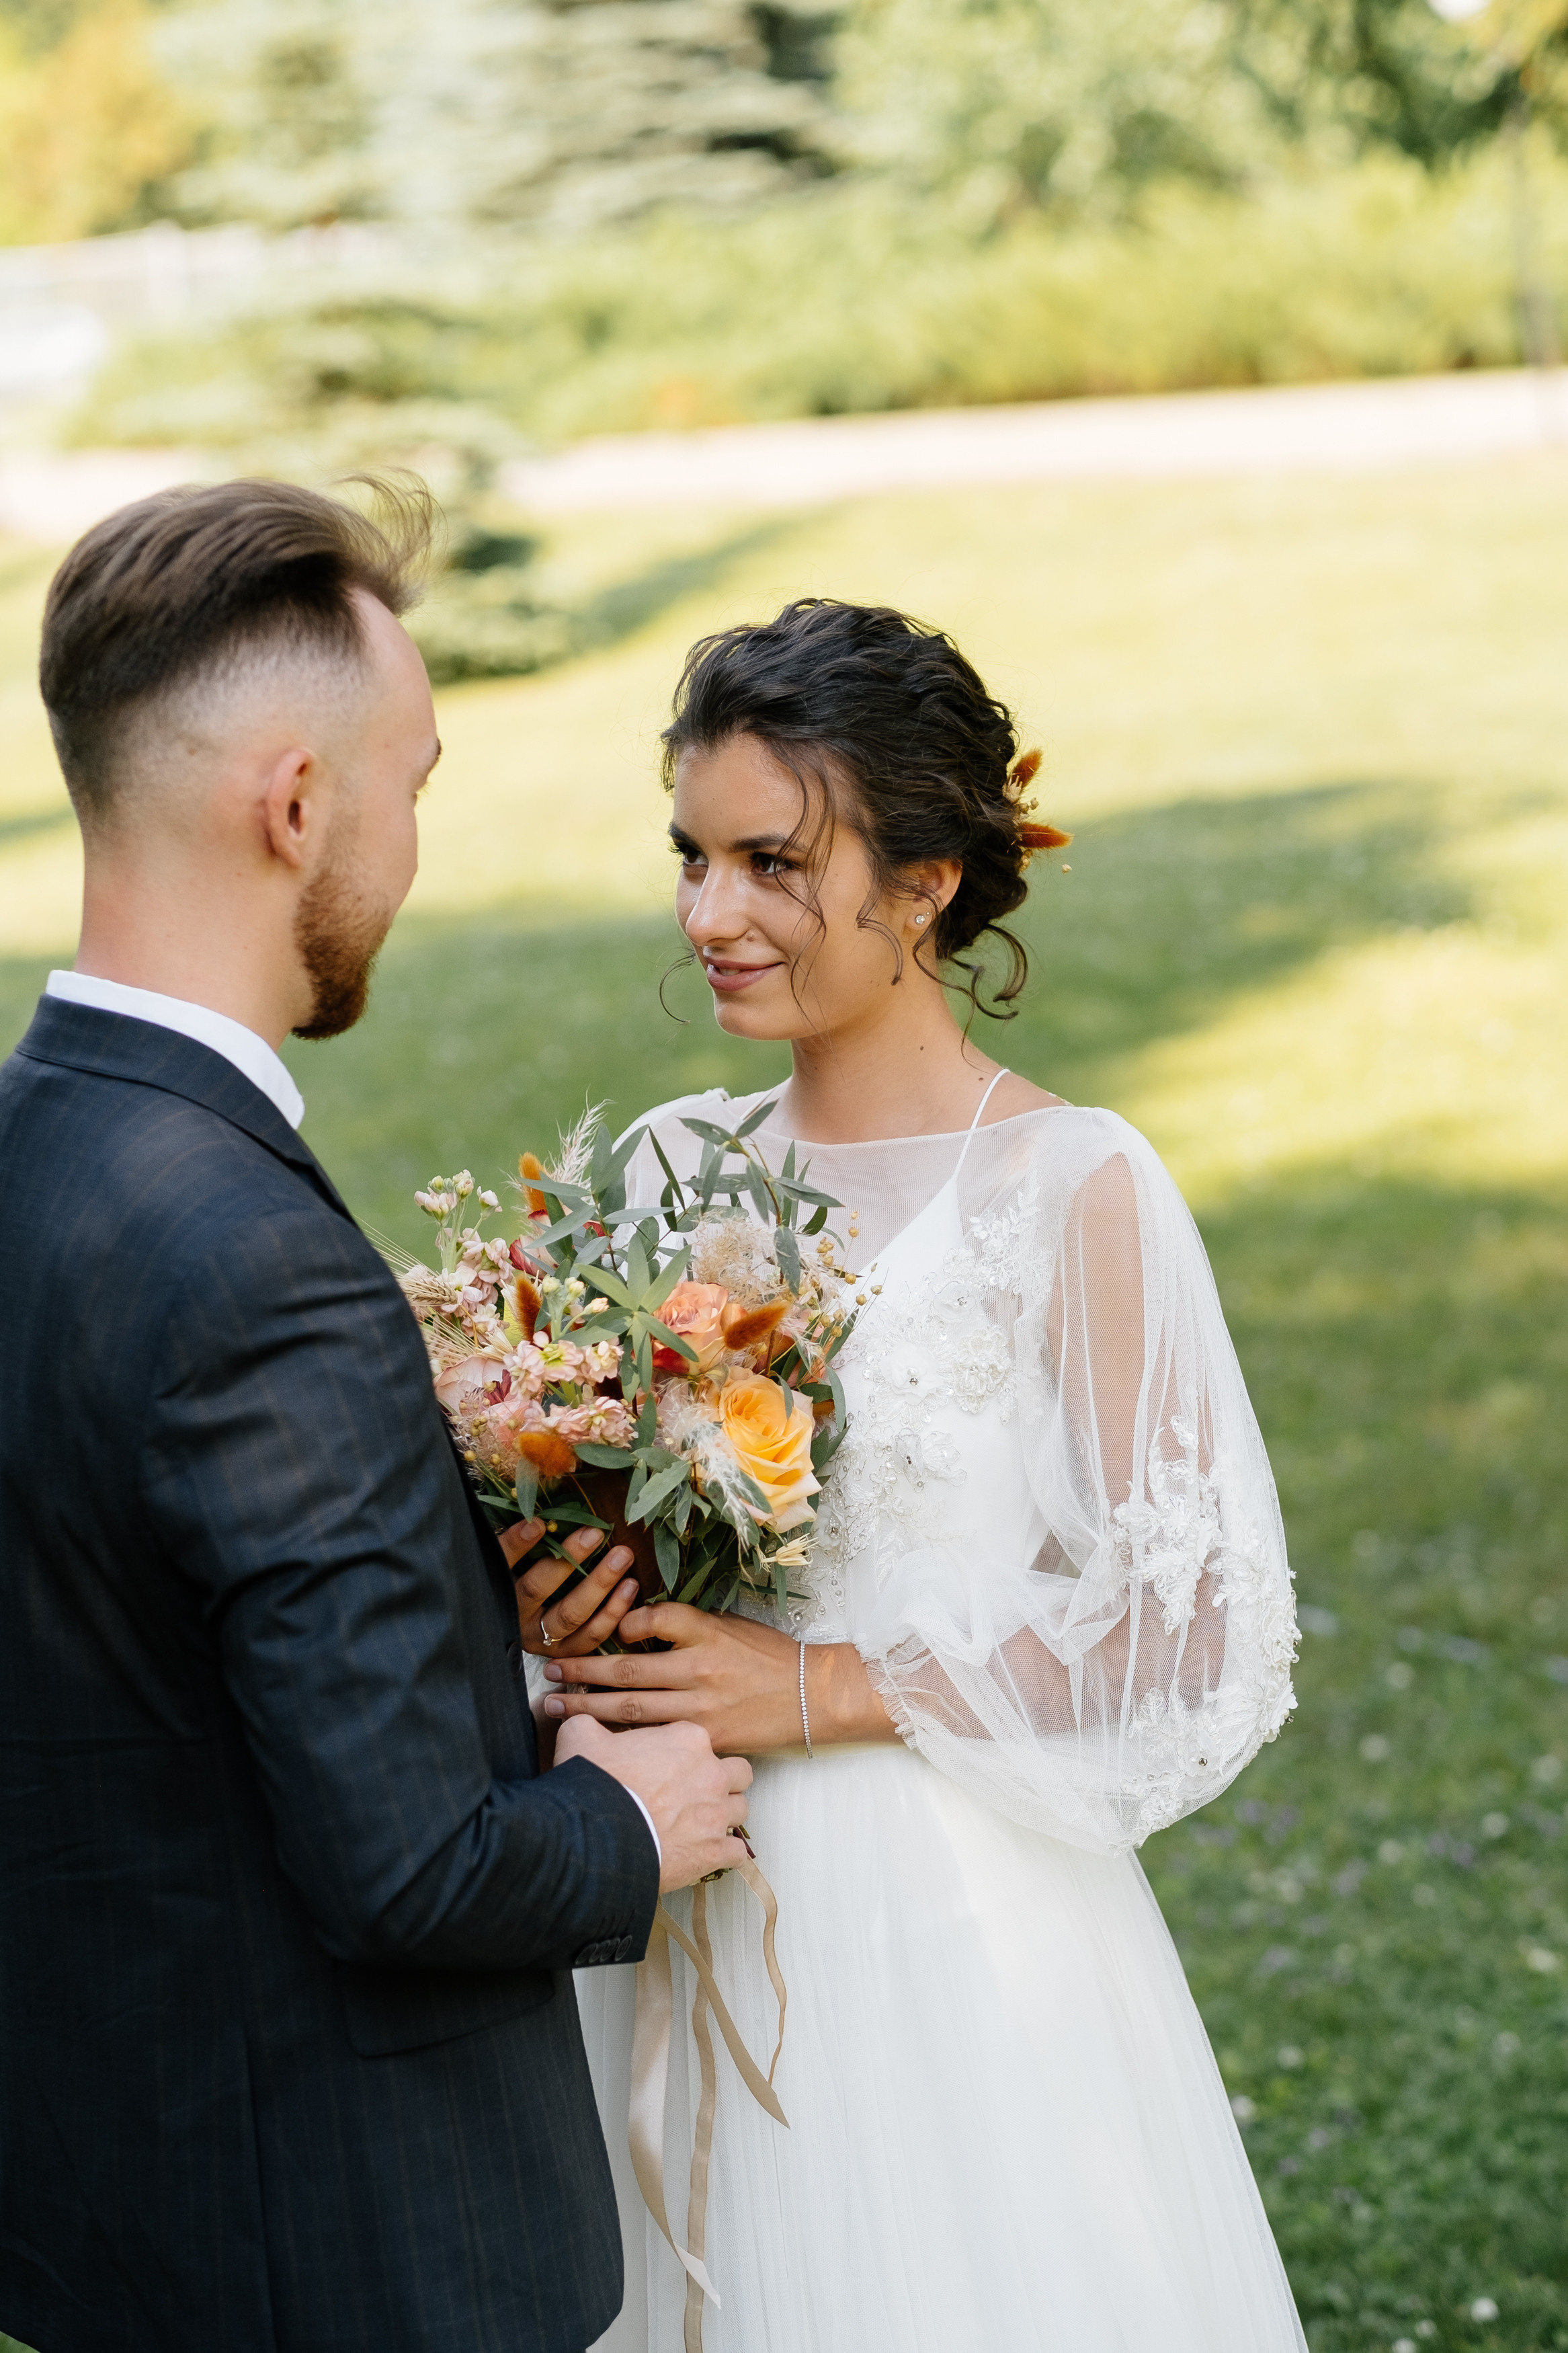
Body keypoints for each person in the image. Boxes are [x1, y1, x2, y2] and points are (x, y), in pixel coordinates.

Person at [0, 479, 752, 2353]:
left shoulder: (36, 1151)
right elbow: (410, 1863)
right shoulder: (256, 1261)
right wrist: (623, 1809)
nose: (411, 846)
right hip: (347, 2259)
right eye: (411, 783)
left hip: (110, 2205)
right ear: (298, 803)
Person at [536, 599, 1308, 2350]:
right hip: (667, 1870)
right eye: (692, 856)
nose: (709, 913)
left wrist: (817, 1679)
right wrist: (565, 1592)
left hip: (947, 1920)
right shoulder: (665, 1171)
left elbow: (1189, 1638)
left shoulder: (1071, 1188)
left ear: (929, 879)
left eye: (771, 862)